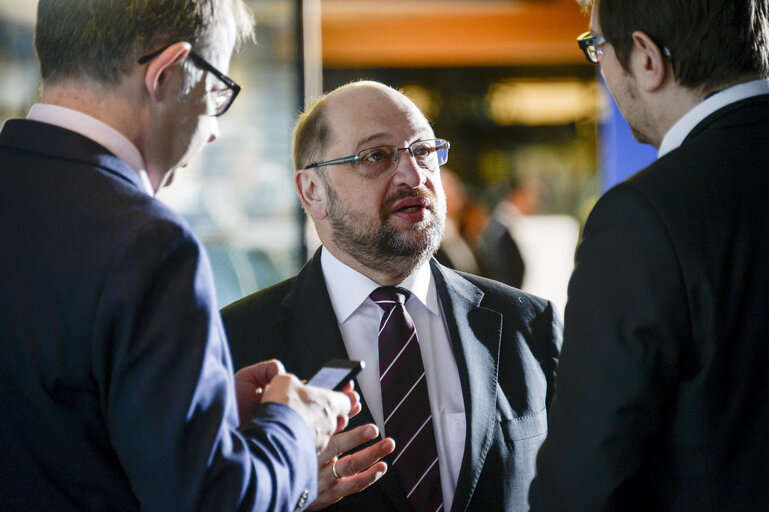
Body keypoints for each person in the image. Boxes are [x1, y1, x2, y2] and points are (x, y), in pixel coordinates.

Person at [0, 1, 358, 510]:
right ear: (167, 73)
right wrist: (293, 427)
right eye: (216, 92)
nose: (213, 130)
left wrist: (197, 407)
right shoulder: (149, 242)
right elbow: (211, 499)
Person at [222, 81, 562, 512]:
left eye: (423, 151)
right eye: (376, 157)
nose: (414, 176)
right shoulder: (233, 344)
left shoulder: (528, 324)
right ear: (312, 191)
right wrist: (284, 492)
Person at [529, 0, 769, 510]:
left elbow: (584, 480)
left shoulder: (643, 216)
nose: (602, 69)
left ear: (647, 58)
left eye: (597, 48)